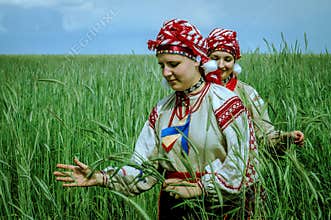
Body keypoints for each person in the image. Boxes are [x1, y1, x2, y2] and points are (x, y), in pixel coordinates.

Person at [54, 19, 259, 219]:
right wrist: (101, 177)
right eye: (161, 65)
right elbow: (143, 167)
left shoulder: (225, 102)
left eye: (173, 64)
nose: (166, 73)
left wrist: (200, 187)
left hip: (221, 209)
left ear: (197, 60)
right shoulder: (162, 110)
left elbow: (243, 161)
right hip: (175, 209)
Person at [205, 28, 304, 154]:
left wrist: (287, 137)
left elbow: (265, 134)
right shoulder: (197, 90)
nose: (221, 65)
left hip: (240, 166)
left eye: (227, 59)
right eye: (215, 58)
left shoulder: (247, 92)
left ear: (235, 62)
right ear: (206, 58)